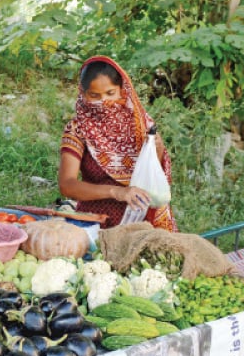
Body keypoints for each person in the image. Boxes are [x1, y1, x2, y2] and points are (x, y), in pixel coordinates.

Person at [59, 56, 178, 231]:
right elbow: (67, 185)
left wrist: (157, 151)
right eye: (94, 96)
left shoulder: (140, 124)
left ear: (122, 90)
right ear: (83, 94)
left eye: (110, 93)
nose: (104, 103)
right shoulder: (78, 129)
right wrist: (117, 192)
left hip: (140, 223)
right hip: (96, 223)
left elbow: (152, 178)